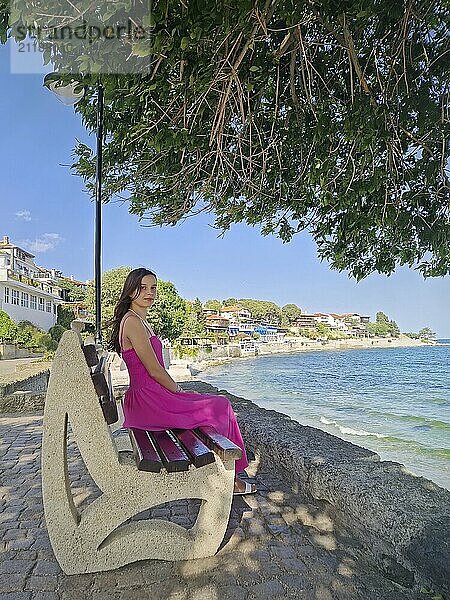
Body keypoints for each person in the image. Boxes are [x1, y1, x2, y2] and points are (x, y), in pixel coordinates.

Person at [108, 267, 256, 495]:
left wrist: (179, 394)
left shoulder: (138, 319)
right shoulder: (133, 322)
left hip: (151, 397)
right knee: (221, 405)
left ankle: (227, 475)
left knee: (214, 404)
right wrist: (179, 392)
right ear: (130, 291)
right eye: (143, 287)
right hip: (148, 401)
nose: (150, 292)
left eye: (153, 288)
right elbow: (155, 370)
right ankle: (231, 480)